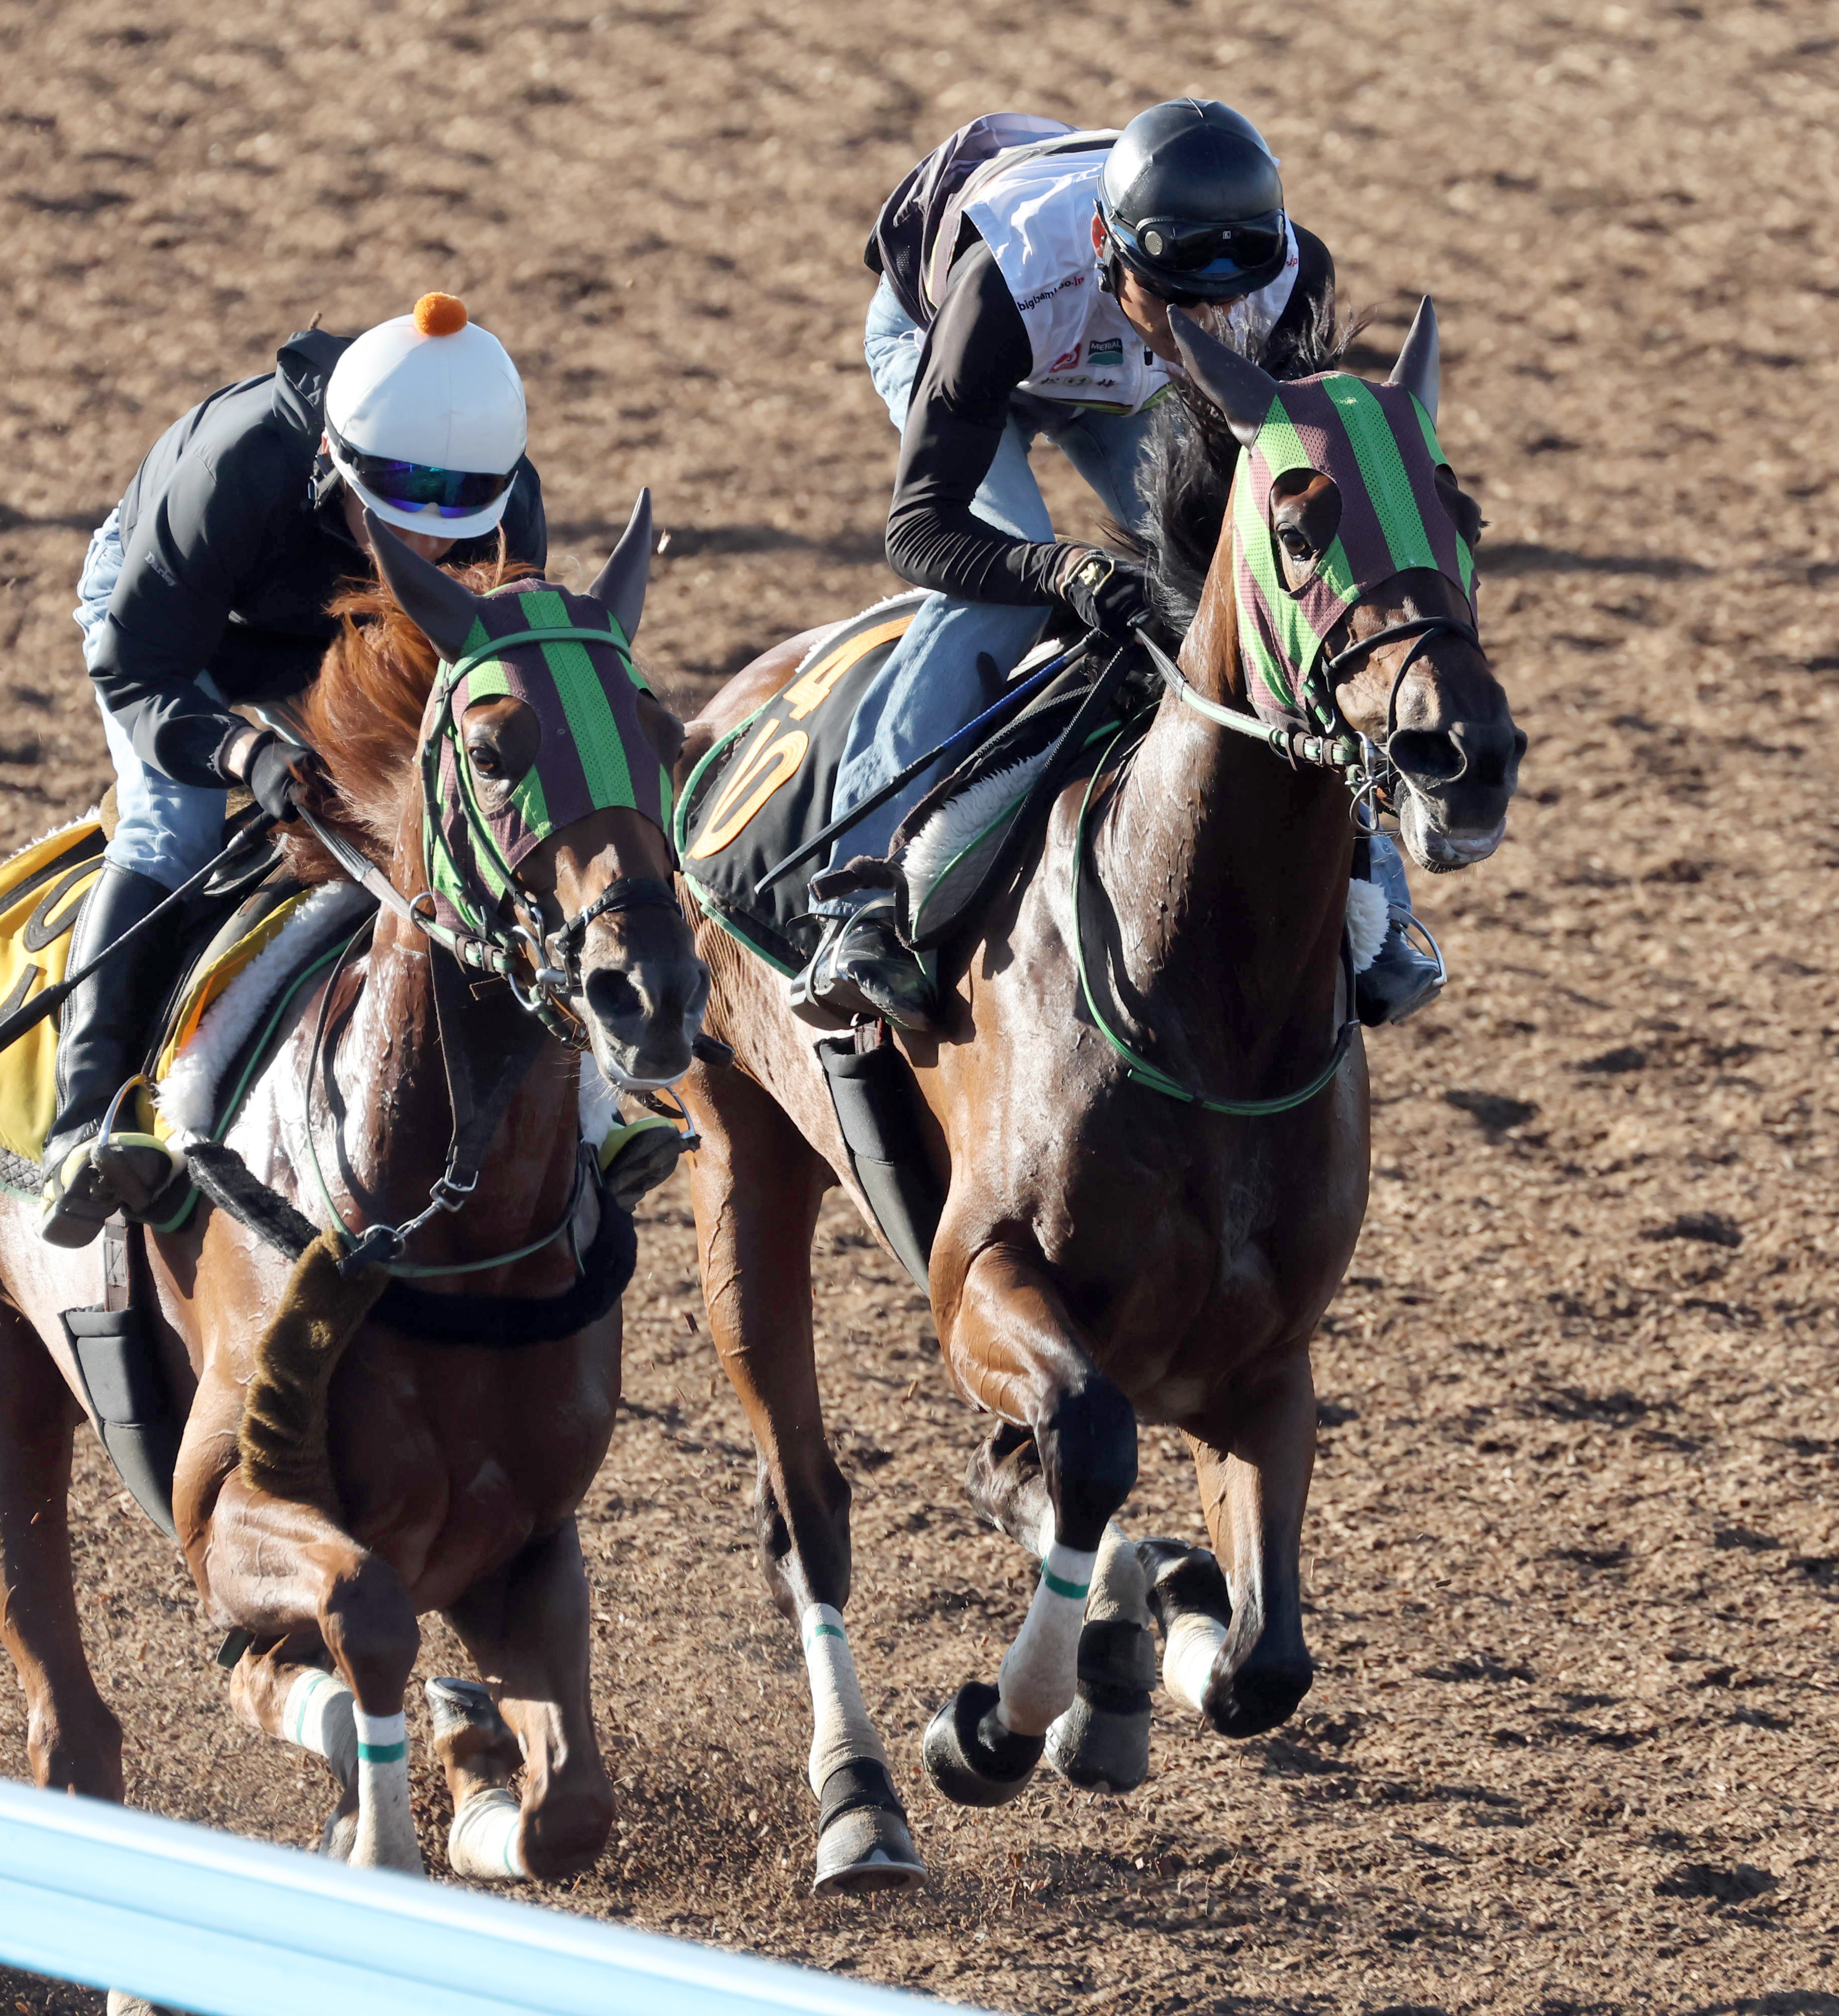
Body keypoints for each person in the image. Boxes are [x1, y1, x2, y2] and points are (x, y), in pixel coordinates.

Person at [801, 98, 1442, 1033]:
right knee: (993, 603)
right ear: (1107, 243)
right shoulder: (1004, 288)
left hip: (1113, 378)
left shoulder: (1290, 283)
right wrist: (1058, 572)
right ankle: (855, 904)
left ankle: (1369, 894)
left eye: (1227, 301)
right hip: (961, 346)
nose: (1206, 328)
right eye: (1178, 303)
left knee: (1244, 595)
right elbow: (922, 534)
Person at [42, 293, 545, 1246]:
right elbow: (136, 665)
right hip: (177, 624)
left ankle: (591, 1118)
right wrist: (242, 748)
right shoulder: (231, 469)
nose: (424, 543)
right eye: (393, 512)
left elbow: (492, 682)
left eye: (451, 518)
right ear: (332, 460)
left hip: (338, 632)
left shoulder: (505, 506)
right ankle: (90, 1118)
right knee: (175, 825)